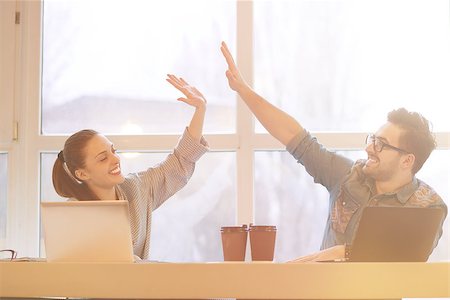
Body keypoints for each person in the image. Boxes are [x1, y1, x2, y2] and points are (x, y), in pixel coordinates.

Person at [220, 41, 447, 261]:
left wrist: (342, 253)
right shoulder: (347, 176)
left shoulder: (428, 207)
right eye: (372, 139)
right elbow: (293, 135)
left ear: (407, 161)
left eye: (381, 144)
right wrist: (242, 89)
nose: (369, 148)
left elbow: (407, 263)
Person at [52, 74, 209, 260]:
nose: (115, 159)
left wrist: (200, 109)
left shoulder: (136, 189)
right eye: (103, 158)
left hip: (136, 287)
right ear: (82, 173)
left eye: (113, 151)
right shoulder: (73, 214)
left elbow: (179, 161)